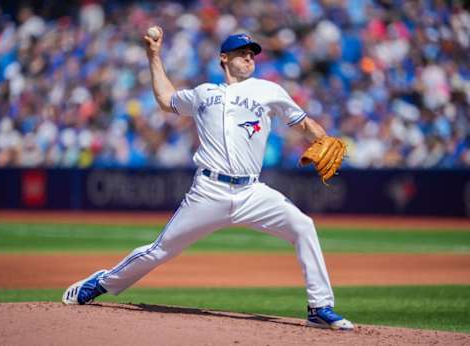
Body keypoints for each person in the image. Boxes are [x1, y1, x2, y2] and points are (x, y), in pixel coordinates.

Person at [62, 28, 354, 331]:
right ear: (224, 58)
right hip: (209, 191)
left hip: (252, 191)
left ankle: (319, 307)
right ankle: (101, 283)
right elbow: (165, 99)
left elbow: (304, 122)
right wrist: (154, 55)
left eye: (252, 53)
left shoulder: (269, 90)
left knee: (303, 226)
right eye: (242, 53)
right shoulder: (203, 93)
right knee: (160, 250)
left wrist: (325, 137)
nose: (249, 57)